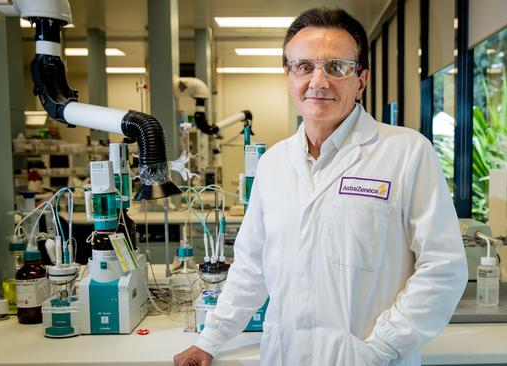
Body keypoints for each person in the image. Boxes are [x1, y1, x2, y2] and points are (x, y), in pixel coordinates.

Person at [174, 7, 467, 366]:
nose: (318, 81)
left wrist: (379, 350)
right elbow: (252, 267)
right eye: (304, 66)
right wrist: (210, 339)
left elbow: (444, 268)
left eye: (337, 67)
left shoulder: (406, 153)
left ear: (361, 80)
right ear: (288, 75)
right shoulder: (273, 164)